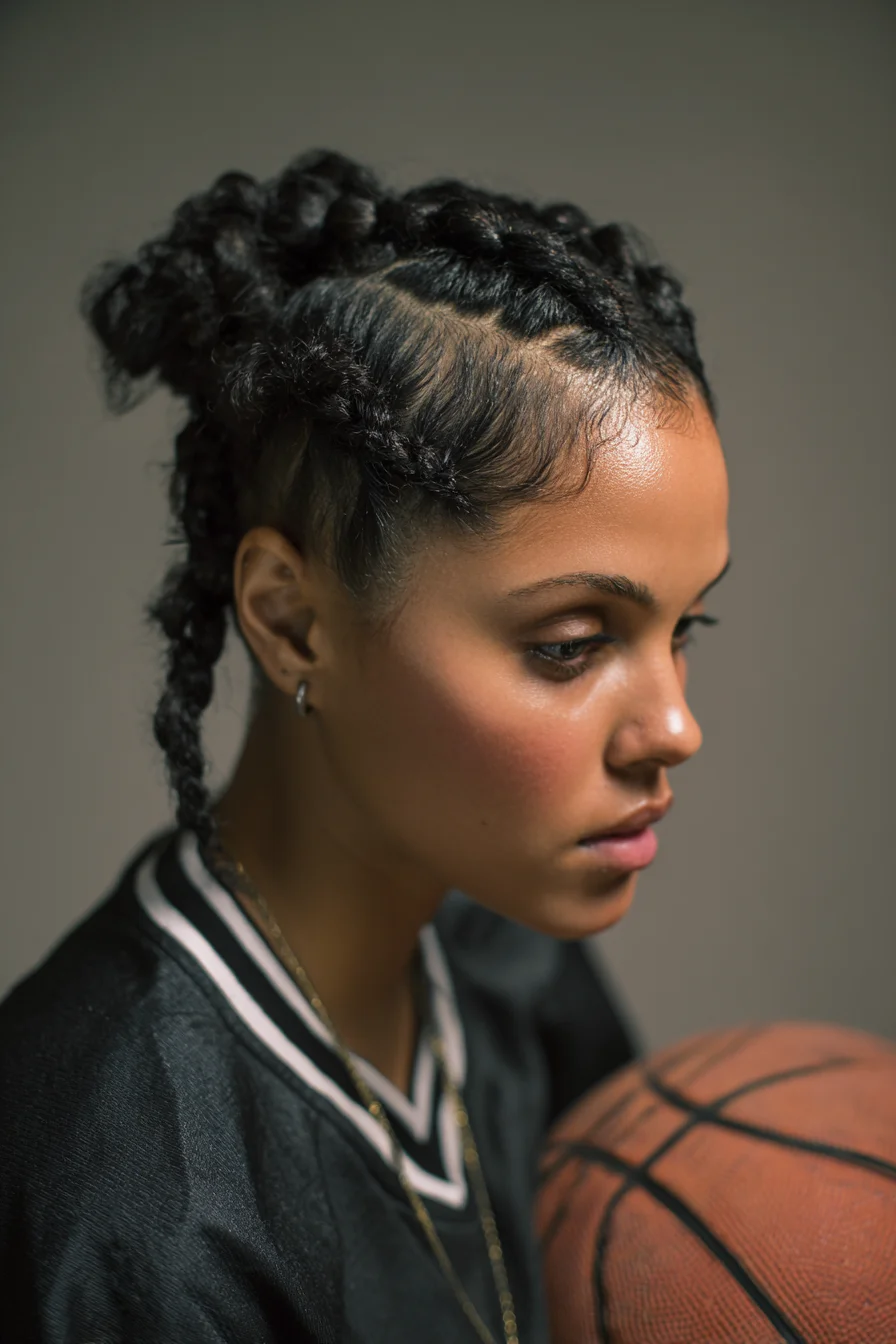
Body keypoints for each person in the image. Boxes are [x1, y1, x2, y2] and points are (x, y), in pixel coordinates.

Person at [0, 149, 730, 1343]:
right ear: (294, 622)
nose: (676, 728)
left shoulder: (500, 954)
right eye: (569, 643)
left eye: (681, 627)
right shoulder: (142, 1207)